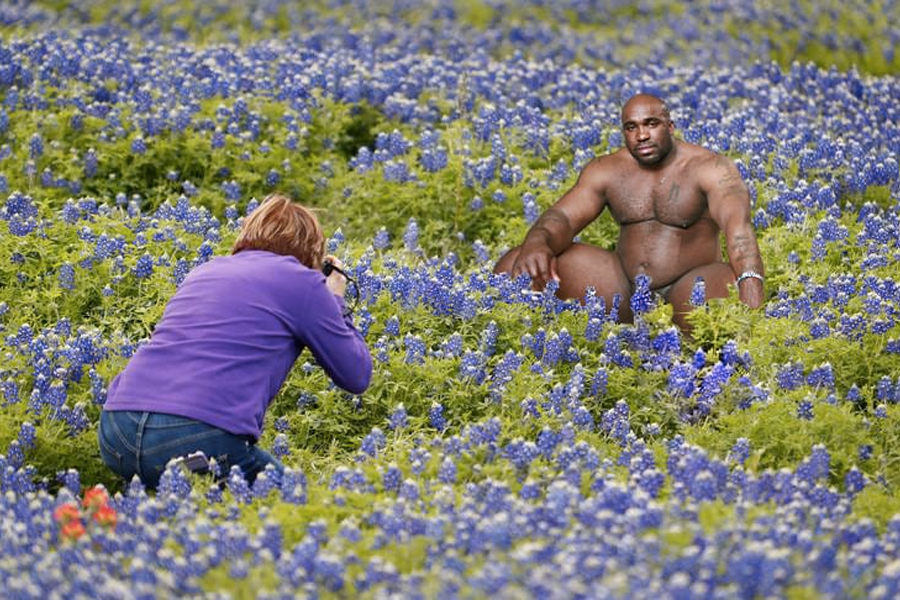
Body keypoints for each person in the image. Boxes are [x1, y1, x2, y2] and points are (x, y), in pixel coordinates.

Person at [98, 194, 373, 490]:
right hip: (196, 434)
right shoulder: (303, 282)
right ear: (312, 250)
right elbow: (355, 375)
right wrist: (336, 301)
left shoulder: (204, 271)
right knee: (296, 506)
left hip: (117, 431)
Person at [494, 93, 765, 330]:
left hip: (690, 286)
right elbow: (563, 217)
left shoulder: (711, 168)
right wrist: (538, 243)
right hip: (622, 285)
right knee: (515, 263)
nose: (642, 135)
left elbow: (738, 229)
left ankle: (688, 351)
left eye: (651, 124)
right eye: (631, 127)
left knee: (716, 298)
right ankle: (545, 343)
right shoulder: (608, 169)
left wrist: (751, 285)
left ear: (670, 127)